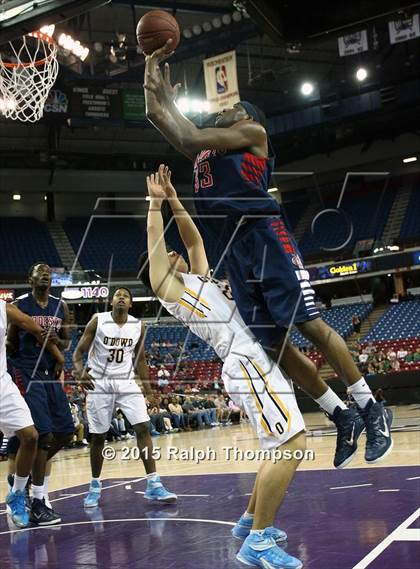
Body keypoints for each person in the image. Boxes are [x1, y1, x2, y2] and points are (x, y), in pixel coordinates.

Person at [143, 49, 393, 469]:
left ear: (247, 116)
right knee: (274, 344)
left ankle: (371, 407)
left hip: (265, 236)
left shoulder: (252, 133)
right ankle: (340, 413)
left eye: (233, 106)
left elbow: (186, 136)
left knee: (310, 325)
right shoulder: (208, 150)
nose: (225, 108)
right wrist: (153, 77)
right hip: (236, 253)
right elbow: (157, 118)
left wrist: (170, 102)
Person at [138, 165, 306, 568]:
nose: (174, 250)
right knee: (292, 445)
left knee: (278, 445)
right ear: (155, 274)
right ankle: (259, 544)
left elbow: (193, 239)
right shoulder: (170, 290)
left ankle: (250, 522)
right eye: (166, 253)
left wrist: (175, 199)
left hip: (251, 359)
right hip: (244, 361)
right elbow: (158, 246)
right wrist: (154, 205)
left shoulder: (197, 279)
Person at [73, 287, 177, 508]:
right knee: (98, 437)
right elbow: (77, 353)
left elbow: (139, 360)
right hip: (99, 381)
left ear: (130, 304)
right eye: (118, 295)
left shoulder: (138, 325)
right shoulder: (97, 321)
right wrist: (79, 371)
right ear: (111, 301)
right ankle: (94, 486)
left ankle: (154, 483)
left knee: (143, 427)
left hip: (126, 380)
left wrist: (149, 391)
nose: (121, 297)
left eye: (126, 296)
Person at [7, 262, 74, 525]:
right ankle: (37, 500)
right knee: (42, 435)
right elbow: (11, 341)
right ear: (30, 278)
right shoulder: (20, 304)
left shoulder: (62, 306)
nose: (45, 273)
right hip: (27, 371)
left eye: (48, 271)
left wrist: (58, 345)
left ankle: (23, 476)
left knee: (66, 431)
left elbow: (67, 341)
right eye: (39, 271)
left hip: (49, 374)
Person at [1, 298, 64, 528]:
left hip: (2, 386)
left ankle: (17, 494)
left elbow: (35, 327)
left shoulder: (4, 308)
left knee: (31, 437)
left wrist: (58, 354)